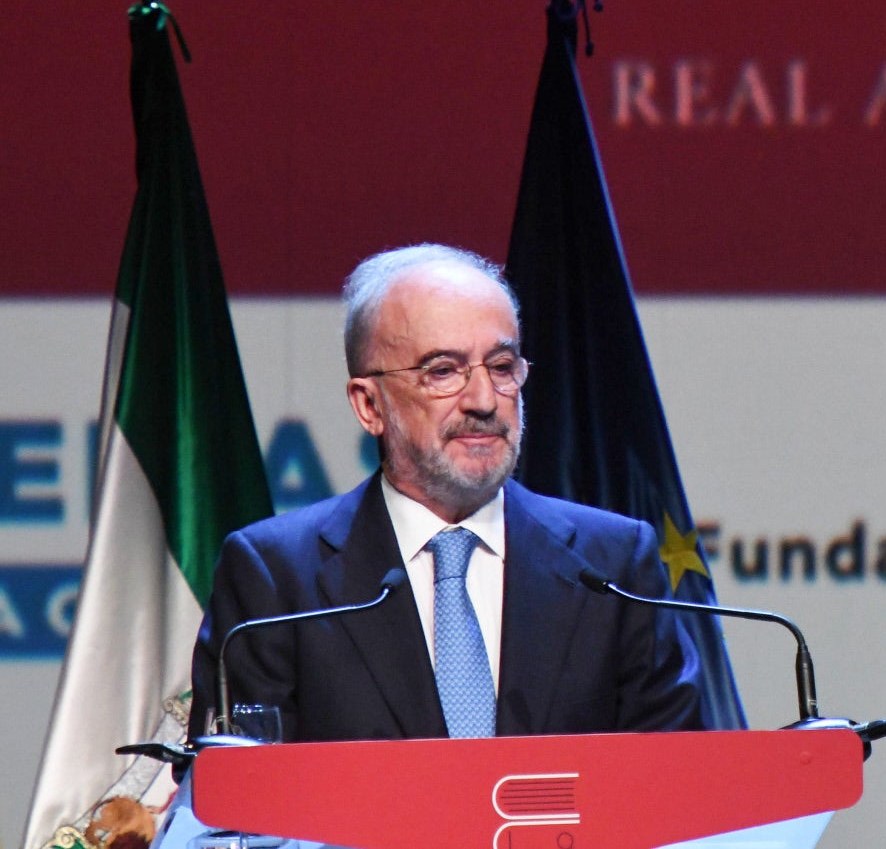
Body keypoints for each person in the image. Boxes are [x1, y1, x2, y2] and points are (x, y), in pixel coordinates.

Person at [187, 243, 703, 740]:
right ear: (370, 406)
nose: (484, 400)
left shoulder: (614, 566)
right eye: (443, 371)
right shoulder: (274, 578)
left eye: (502, 368)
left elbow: (674, 786)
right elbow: (238, 803)